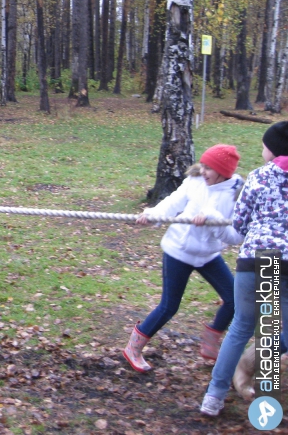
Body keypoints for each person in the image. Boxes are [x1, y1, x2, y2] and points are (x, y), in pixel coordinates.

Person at [123, 145, 243, 373]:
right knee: (169, 306)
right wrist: (151, 216)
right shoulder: (195, 182)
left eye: (210, 169)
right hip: (178, 251)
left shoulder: (235, 194)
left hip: (208, 255)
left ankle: (210, 342)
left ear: (224, 171)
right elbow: (173, 202)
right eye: (203, 166)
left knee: (234, 298)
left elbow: (235, 235)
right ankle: (133, 348)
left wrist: (212, 219)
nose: (204, 172)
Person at [200, 122, 288, 416]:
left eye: (265, 145)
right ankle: (265, 400)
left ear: (273, 149)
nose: (262, 149)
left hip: (255, 260)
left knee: (240, 327)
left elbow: (238, 226)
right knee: (273, 333)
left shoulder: (259, 176)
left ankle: (213, 396)